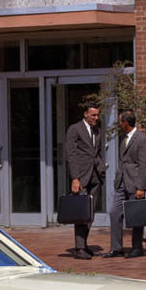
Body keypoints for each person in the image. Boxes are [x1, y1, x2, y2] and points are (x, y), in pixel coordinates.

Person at [105, 109, 146, 258]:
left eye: (120, 121)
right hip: (122, 183)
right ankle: (116, 248)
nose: (118, 124)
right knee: (114, 213)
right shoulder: (123, 139)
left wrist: (141, 187)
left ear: (126, 122)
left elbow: (144, 165)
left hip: (135, 183)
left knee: (136, 215)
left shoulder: (141, 139)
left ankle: (137, 247)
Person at [64, 103, 104, 259]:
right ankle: (79, 248)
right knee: (81, 212)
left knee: (90, 213)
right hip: (81, 176)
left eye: (97, 115)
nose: (96, 118)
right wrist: (75, 178)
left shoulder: (97, 130)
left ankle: (84, 244)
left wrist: (101, 168)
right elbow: (71, 155)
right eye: (93, 115)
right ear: (85, 114)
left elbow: (97, 152)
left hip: (96, 175)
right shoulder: (74, 129)